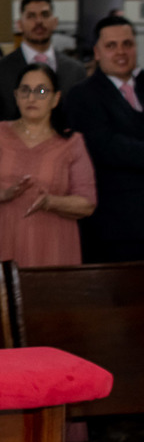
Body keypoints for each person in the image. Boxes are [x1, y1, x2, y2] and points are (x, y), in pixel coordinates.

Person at [0, 64, 95, 267]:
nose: (32, 98)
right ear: (16, 96)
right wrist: (2, 195)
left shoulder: (71, 143)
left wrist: (51, 202)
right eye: (25, 91)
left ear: (55, 99)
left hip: (52, 247)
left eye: (41, 91)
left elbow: (87, 203)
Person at [64, 15, 144, 263]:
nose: (121, 52)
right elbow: (105, 146)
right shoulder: (82, 95)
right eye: (111, 46)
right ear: (97, 52)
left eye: (127, 44)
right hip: (117, 226)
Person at [0, 0, 86, 134]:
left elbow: (84, 121)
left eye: (45, 15)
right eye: (31, 16)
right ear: (20, 24)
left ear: (55, 22)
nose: (39, 21)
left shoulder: (75, 70)